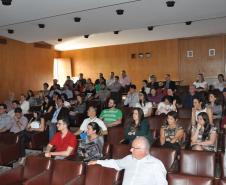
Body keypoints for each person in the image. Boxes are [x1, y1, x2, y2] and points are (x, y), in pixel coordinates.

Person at [88, 136, 167, 185]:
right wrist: (98, 161)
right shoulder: (129, 158)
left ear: (144, 150)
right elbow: (115, 163)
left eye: (134, 148)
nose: (131, 150)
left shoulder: (156, 164)